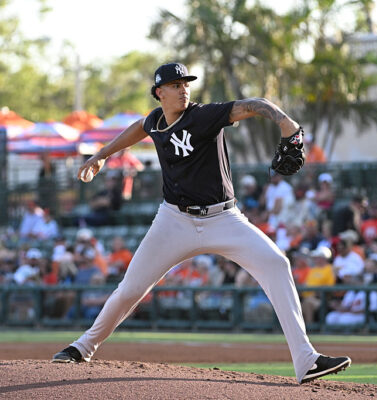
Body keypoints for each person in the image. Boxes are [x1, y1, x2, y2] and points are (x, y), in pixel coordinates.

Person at [52, 62, 350, 384]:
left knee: (276, 263)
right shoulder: (156, 121)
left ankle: (306, 361)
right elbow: (141, 127)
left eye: (186, 83)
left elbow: (256, 105)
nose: (183, 89)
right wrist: (103, 154)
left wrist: (287, 123)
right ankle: (83, 347)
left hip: (223, 218)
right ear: (159, 93)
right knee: (131, 288)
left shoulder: (203, 116)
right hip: (173, 220)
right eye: (176, 84)